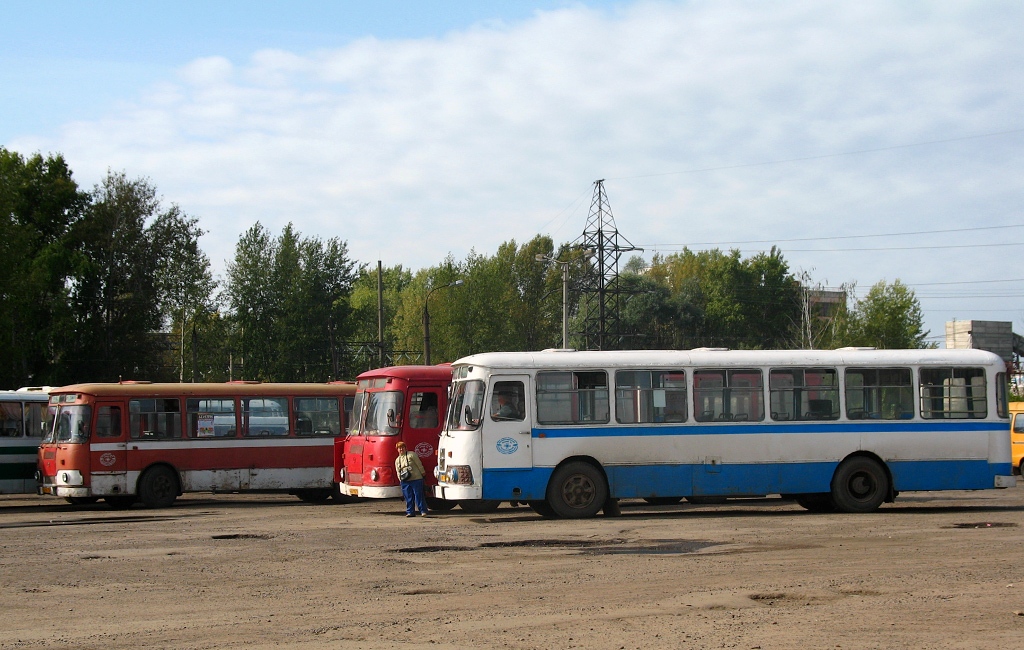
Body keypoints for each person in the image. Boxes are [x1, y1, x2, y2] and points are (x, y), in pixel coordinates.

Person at [395, 441, 429, 517]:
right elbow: (398, 471)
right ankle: (410, 512)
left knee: (419, 496)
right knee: (408, 497)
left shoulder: (411, 455)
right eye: (399, 448)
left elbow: (419, 464)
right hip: (405, 481)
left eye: (402, 447)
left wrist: (423, 473)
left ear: (405, 448)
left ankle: (423, 511)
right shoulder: (397, 460)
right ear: (397, 449)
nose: (401, 449)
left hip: (416, 479)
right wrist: (400, 480)